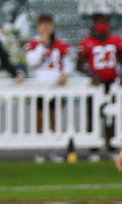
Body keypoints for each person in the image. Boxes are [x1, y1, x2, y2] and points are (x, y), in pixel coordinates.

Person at [24, 14, 73, 145]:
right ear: (38, 26)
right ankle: (40, 146)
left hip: (55, 84)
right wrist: (42, 45)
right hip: (40, 84)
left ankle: (54, 146)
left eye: (48, 24)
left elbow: (67, 63)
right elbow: (32, 61)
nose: (46, 27)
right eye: (43, 24)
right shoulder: (33, 43)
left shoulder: (60, 44)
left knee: (54, 117)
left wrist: (65, 74)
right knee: (40, 117)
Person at [78, 14, 122, 154]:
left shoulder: (116, 41)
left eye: (104, 21)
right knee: (93, 114)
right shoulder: (87, 43)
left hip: (111, 83)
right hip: (95, 85)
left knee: (111, 114)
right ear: (94, 24)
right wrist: (91, 73)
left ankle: (111, 144)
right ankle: (94, 147)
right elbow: (79, 65)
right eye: (99, 22)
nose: (102, 24)